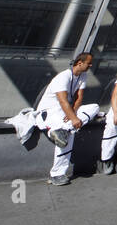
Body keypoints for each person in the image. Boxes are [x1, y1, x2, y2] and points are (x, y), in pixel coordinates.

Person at [34, 53, 100, 186]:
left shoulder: (83, 75)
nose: (91, 65)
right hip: (50, 111)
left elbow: (79, 97)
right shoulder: (63, 77)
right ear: (80, 63)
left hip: (66, 111)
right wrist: (73, 118)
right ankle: (56, 174)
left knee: (95, 107)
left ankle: (63, 130)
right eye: (89, 63)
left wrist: (73, 114)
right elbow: (63, 100)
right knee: (69, 135)